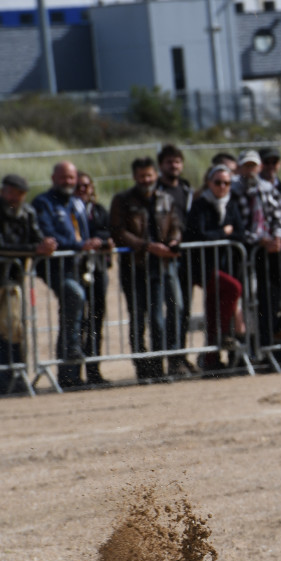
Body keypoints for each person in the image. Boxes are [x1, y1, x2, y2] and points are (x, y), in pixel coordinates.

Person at [110, 158, 185, 381]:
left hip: (161, 266)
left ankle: (164, 362)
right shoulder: (122, 200)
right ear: (135, 177)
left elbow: (175, 225)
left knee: (165, 314)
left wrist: (172, 242)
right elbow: (118, 231)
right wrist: (147, 246)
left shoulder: (165, 199)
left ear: (155, 175)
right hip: (135, 267)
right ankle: (143, 365)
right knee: (139, 317)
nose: (146, 180)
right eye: (142, 176)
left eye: (149, 175)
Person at [0, 173, 56, 376]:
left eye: (20, 194)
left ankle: (16, 374)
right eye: (11, 193)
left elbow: (39, 238)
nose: (15, 198)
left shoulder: (28, 212)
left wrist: (47, 245)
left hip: (15, 279)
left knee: (15, 328)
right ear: (3, 191)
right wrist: (35, 249)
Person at [234, 150, 281, 355]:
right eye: (246, 166)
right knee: (260, 301)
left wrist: (277, 237)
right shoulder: (233, 190)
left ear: (258, 168)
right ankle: (262, 350)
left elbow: (278, 218)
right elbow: (237, 227)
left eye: (253, 166)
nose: (250, 171)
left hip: (272, 252)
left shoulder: (268, 188)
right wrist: (260, 240)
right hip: (246, 254)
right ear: (240, 168)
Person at [31, 161, 98, 388]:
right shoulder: (43, 203)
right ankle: (70, 353)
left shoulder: (77, 203)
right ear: (53, 178)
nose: (68, 182)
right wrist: (79, 245)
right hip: (56, 267)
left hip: (79, 267)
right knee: (74, 296)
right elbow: (49, 235)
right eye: (64, 178)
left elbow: (87, 231)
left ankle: (71, 375)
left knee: (77, 315)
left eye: (71, 178)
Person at [184, 166, 247, 372]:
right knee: (233, 288)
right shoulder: (200, 205)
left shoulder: (231, 204)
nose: (222, 187)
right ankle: (221, 338)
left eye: (226, 183)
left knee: (213, 310)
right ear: (209, 183)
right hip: (203, 267)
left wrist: (222, 234)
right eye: (218, 182)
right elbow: (199, 236)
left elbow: (240, 235)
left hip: (225, 264)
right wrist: (223, 232)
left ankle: (210, 359)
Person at [155, 144, 197, 376]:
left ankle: (180, 356)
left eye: (177, 161)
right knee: (170, 309)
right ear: (161, 165)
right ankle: (168, 358)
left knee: (184, 310)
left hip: (185, 257)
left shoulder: (186, 189)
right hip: (164, 258)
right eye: (169, 162)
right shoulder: (156, 190)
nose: (174, 166)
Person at [73, 171, 112, 385]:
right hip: (75, 269)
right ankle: (72, 374)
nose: (82, 190)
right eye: (78, 186)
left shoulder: (98, 211)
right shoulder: (69, 211)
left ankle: (94, 370)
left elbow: (108, 232)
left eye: (86, 186)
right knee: (78, 321)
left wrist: (100, 240)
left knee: (96, 320)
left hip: (97, 269)